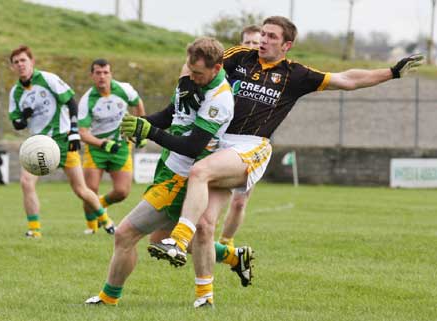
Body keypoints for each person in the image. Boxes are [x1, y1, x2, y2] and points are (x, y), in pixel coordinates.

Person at [142, 15, 424, 297]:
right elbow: (198, 59)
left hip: (250, 147)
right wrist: (186, 83)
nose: (263, 40)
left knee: (200, 172)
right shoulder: (239, 56)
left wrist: (392, 72)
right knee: (203, 226)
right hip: (219, 146)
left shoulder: (296, 74)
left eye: (271, 36)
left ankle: (177, 241)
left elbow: (347, 79)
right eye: (263, 34)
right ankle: (210, 292)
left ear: (287, 45)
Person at [85, 37, 248, 308]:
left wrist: (152, 134)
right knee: (160, 239)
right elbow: (171, 115)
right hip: (167, 168)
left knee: (124, 234)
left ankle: (108, 297)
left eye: (197, 73)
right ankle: (232, 257)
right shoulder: (191, 80)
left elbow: (193, 147)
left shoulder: (220, 100)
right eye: (189, 69)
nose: (191, 76)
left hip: (180, 179)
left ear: (217, 67)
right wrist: (141, 123)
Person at [8, 45, 114, 238]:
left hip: (63, 141)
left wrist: (74, 131)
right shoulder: (16, 92)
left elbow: (71, 102)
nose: (20, 65)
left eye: (23, 60)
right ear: (12, 67)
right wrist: (22, 118)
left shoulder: (48, 79)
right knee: (26, 182)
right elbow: (16, 124)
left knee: (81, 190)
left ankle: (106, 221)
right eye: (16, 62)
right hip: (38, 144)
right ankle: (35, 230)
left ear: (32, 62)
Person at [78, 59, 146, 234]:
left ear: (111, 74)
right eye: (98, 73)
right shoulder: (87, 101)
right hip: (96, 148)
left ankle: (99, 204)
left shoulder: (124, 90)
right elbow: (83, 133)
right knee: (90, 189)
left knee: (122, 192)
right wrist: (103, 144)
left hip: (122, 145)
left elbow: (138, 104)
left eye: (105, 72)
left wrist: (140, 129)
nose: (102, 76)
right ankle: (91, 228)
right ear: (92, 75)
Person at [218, 24, 261, 247]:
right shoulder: (228, 68)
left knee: (239, 203)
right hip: (219, 135)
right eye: (248, 43)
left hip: (247, 142)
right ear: (240, 44)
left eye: (256, 43)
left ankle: (226, 243)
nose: (252, 47)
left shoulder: (265, 72)